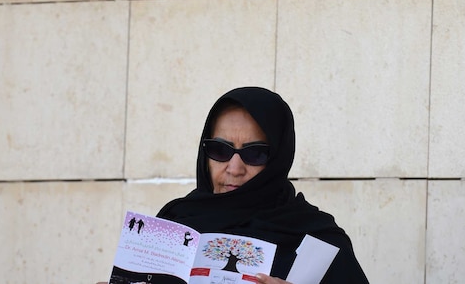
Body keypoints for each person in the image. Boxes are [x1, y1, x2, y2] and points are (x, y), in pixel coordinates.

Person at [98, 87, 369, 284]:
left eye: (255, 153)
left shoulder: (317, 238)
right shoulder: (176, 222)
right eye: (220, 149)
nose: (235, 168)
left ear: (278, 158)